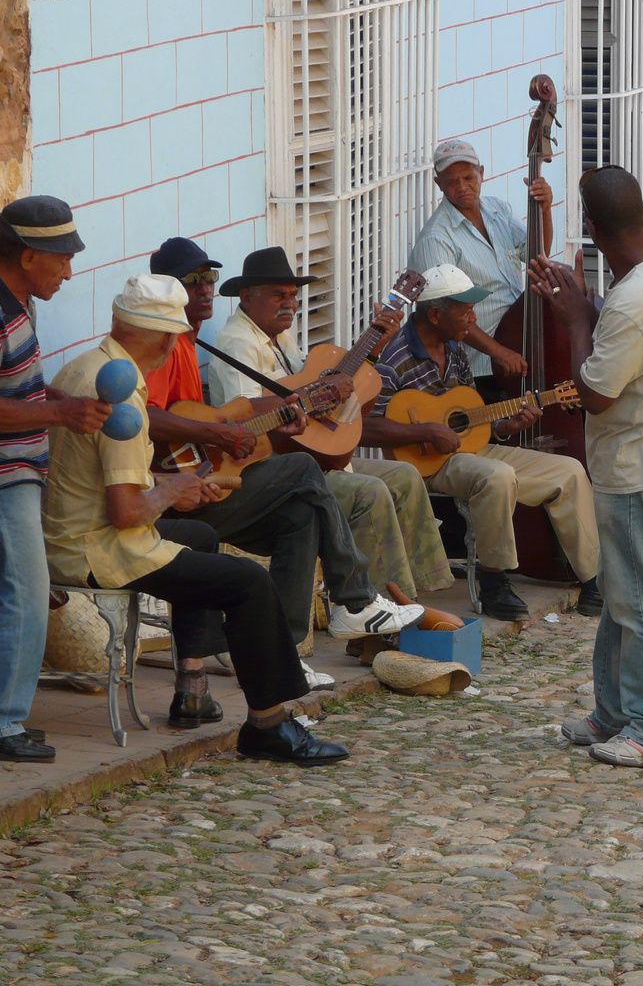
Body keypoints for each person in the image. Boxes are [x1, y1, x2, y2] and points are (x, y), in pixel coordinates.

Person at [43, 275, 349, 766]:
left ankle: (192, 687)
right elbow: (126, 514)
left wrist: (174, 491)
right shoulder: (121, 395)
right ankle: (268, 724)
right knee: (247, 582)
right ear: (166, 338)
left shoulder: (91, 367)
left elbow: (112, 486)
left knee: (200, 534)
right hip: (98, 548)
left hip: (72, 533)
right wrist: (167, 491)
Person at [140, 239, 428, 696]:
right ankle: (353, 599)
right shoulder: (168, 343)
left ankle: (283, 656)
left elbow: (238, 415)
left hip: (209, 477)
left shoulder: (195, 341)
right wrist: (224, 435)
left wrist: (286, 415)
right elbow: (147, 418)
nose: (204, 288)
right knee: (301, 471)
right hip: (174, 495)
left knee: (302, 515)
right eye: (192, 280)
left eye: (209, 277)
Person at [531, 167, 643, 768]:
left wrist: (577, 320)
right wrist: (587, 305)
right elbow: (628, 331)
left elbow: (595, 393)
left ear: (592, 228)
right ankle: (614, 713)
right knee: (620, 597)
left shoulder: (634, 299)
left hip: (642, 464)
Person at [0, 196, 111, 762]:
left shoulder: (14, 300)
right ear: (30, 255)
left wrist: (50, 397)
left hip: (11, 470)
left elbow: (7, 388)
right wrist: (59, 415)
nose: (68, 270)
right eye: (61, 259)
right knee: (25, 597)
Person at [205, 248, 455, 624]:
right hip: (272, 468)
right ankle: (368, 609)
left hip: (312, 456)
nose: (290, 304)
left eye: (293, 295)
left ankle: (415, 596)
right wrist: (310, 403)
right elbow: (253, 417)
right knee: (369, 492)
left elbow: (320, 389)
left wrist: (373, 351)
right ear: (247, 297)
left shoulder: (278, 338)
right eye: (278, 295)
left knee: (405, 476)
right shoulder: (240, 343)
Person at [359, 264, 603, 622]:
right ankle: (494, 581)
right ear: (437, 314)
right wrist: (425, 431)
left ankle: (593, 579)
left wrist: (506, 425)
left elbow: (469, 419)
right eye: (465, 310)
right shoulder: (392, 358)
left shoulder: (455, 349)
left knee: (568, 470)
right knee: (497, 476)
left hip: (470, 450)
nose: (472, 319)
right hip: (425, 463)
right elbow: (366, 426)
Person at [407, 139, 542, 390]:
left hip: (519, 346)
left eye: (468, 177)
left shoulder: (497, 210)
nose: (462, 187)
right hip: (478, 367)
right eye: (451, 182)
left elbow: (535, 257)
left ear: (481, 173)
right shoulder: (436, 238)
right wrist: (498, 351)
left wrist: (543, 211)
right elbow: (447, 314)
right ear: (439, 185)